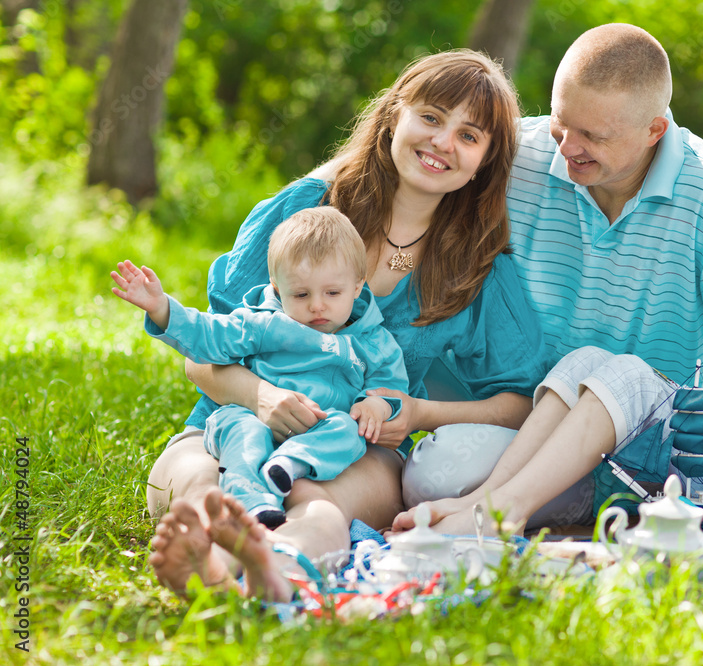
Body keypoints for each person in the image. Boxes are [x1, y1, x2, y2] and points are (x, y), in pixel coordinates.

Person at [145, 49, 548, 601]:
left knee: (317, 504)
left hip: (357, 449)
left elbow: (522, 403)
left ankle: (273, 572)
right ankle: (214, 568)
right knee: (203, 483)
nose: (442, 142)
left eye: (468, 135)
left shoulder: (476, 268)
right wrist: (263, 397)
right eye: (431, 117)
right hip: (232, 422)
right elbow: (203, 354)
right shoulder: (304, 213)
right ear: (395, 117)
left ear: (484, 161)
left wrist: (420, 413)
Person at [392, 23, 703, 537]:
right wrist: (316, 197)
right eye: (561, 124)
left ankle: (501, 513)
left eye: (593, 137)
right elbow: (401, 165)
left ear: (654, 131)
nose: (568, 147)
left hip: (648, 457)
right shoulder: (518, 156)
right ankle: (486, 507)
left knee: (618, 370)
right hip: (536, 434)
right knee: (433, 478)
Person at [113, 208, 409, 528]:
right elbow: (210, 334)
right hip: (253, 416)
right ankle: (251, 498)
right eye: (301, 294)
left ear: (357, 286)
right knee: (242, 428)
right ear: (278, 289)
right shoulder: (266, 323)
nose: (317, 305)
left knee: (349, 431)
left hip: (318, 430)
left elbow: (390, 384)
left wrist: (376, 405)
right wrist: (162, 309)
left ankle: (288, 465)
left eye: (332, 293)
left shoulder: (372, 341)